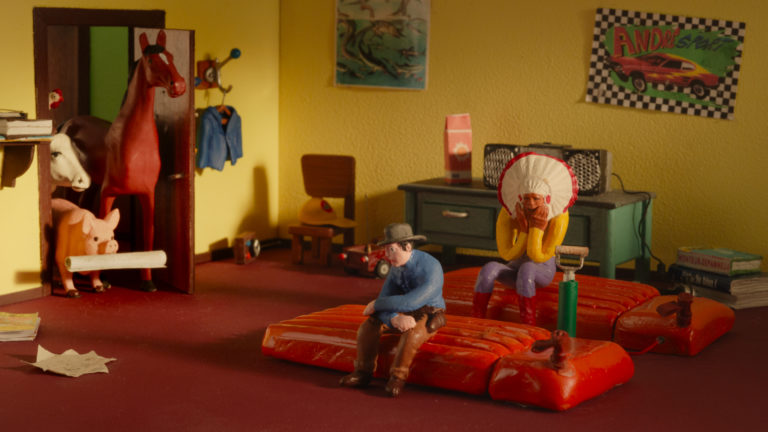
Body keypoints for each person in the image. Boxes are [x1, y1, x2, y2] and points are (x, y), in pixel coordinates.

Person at [339, 223, 446, 397]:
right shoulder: (396, 268)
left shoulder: (432, 267)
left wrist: (376, 304)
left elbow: (410, 302)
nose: (387, 256)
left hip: (428, 311)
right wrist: (394, 318)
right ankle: (363, 372)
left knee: (412, 334)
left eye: (391, 250)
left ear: (407, 246)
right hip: (400, 309)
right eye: (386, 250)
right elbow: (386, 296)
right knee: (369, 326)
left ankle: (398, 377)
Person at [472, 153, 577, 325]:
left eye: (536, 198)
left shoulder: (560, 216)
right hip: (515, 266)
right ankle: (477, 317)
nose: (531, 204)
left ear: (547, 199)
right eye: (526, 198)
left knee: (527, 268)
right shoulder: (509, 212)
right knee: (489, 268)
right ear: (520, 197)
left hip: (541, 270)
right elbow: (507, 254)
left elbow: (538, 256)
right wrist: (524, 232)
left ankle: (527, 323)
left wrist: (537, 229)